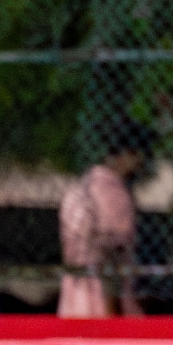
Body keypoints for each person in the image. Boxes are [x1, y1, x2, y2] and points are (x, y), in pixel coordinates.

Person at [58, 120, 156, 318]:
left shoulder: (77, 189)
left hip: (71, 301)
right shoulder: (114, 194)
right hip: (101, 305)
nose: (141, 165)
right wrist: (113, 317)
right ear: (128, 155)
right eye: (140, 157)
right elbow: (111, 258)